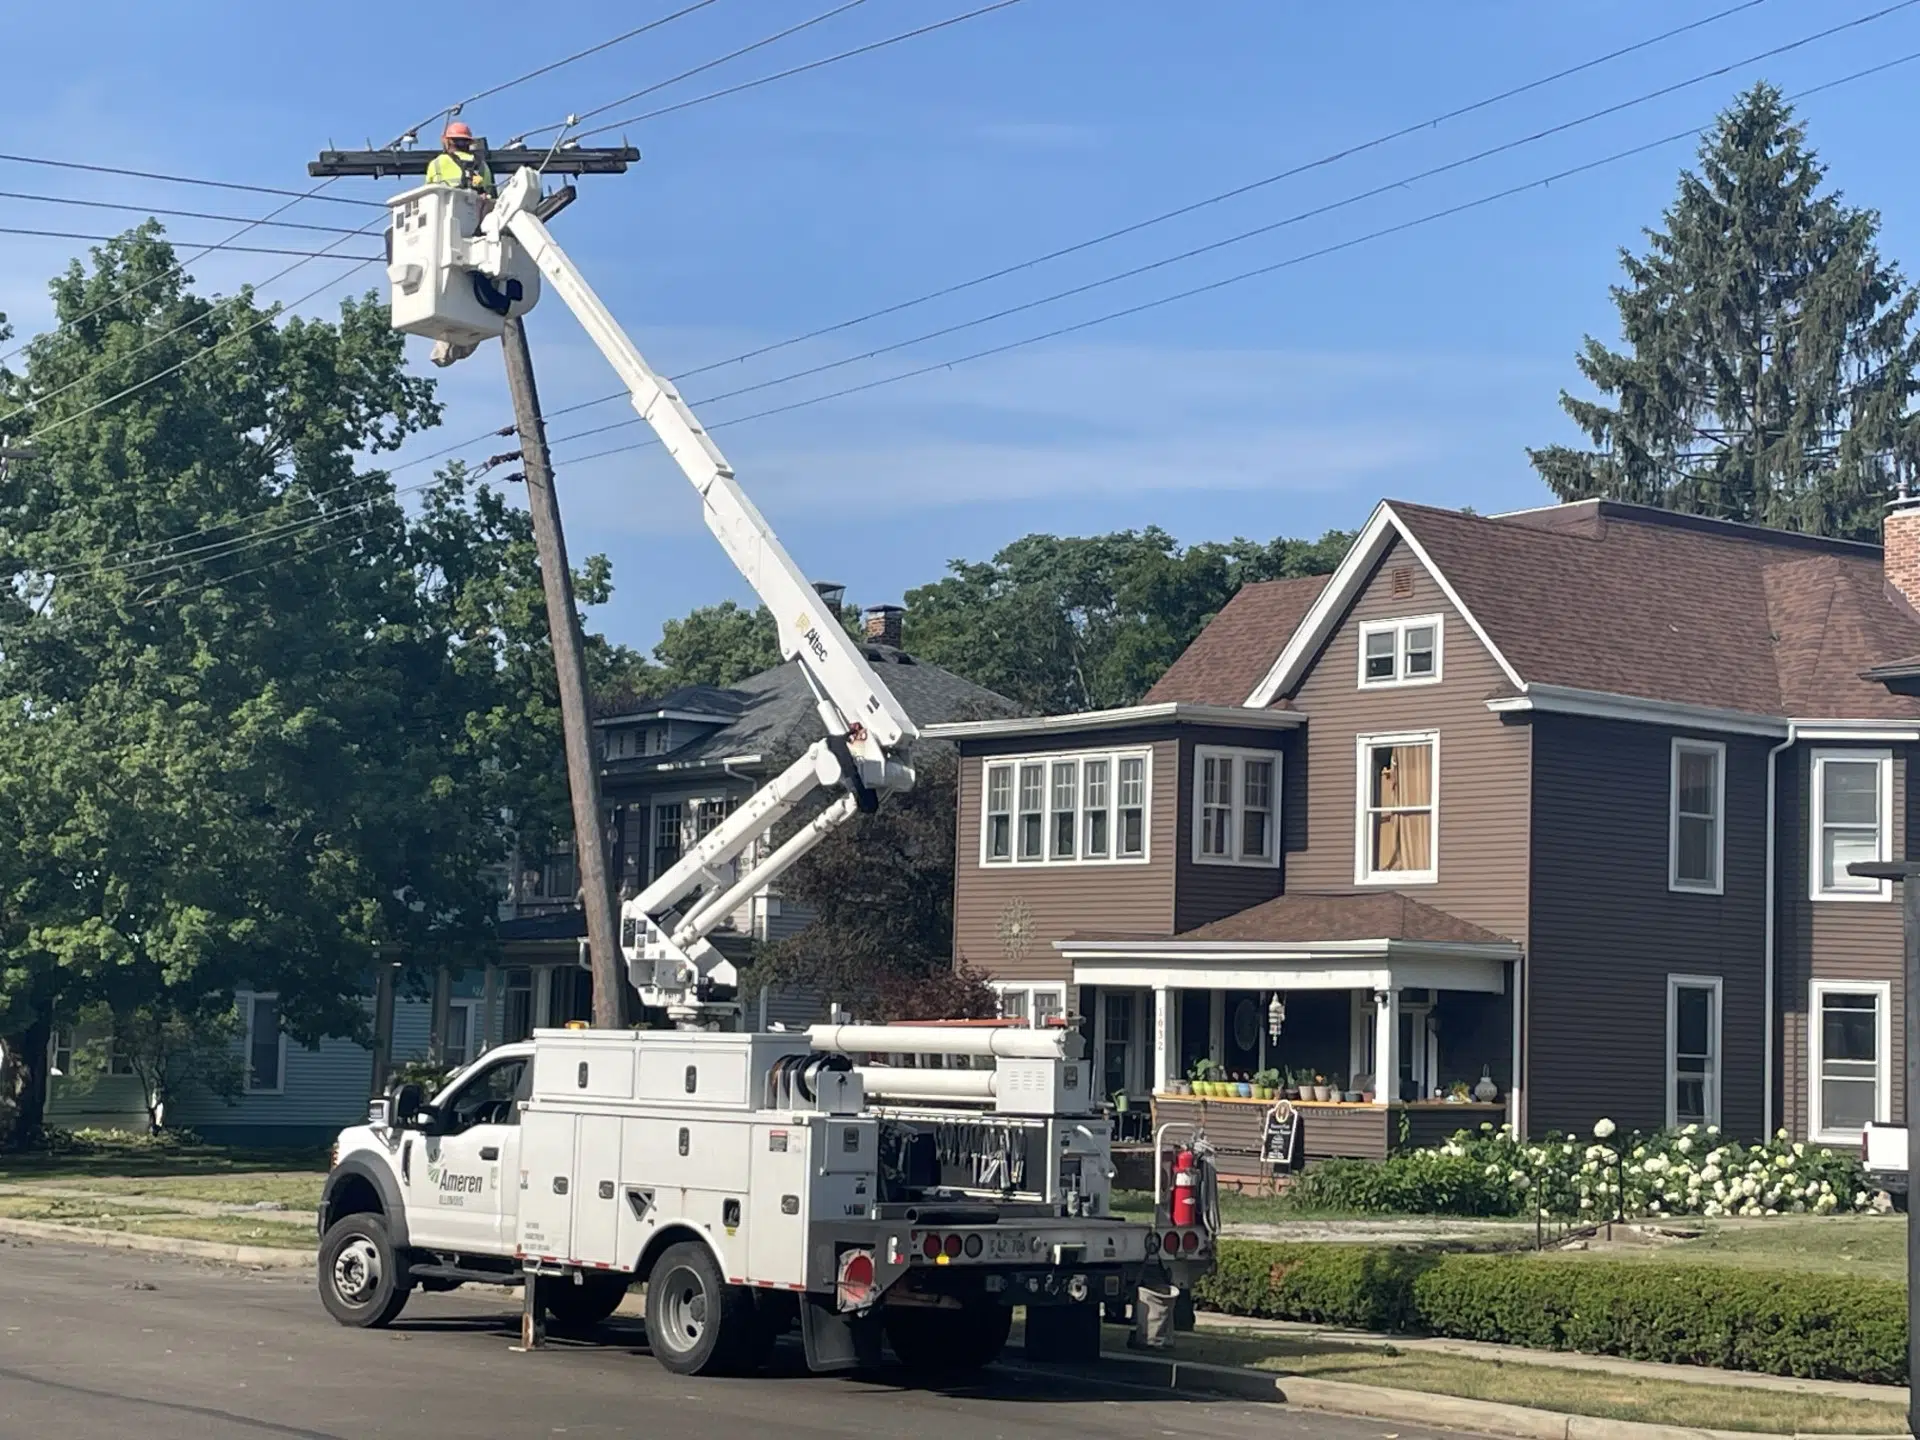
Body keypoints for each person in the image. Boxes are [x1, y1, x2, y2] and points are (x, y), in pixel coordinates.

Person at [425, 120, 495, 196]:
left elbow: (428, 192)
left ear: (448, 141)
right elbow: (488, 189)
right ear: (469, 142)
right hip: (473, 205)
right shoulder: (481, 164)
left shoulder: (436, 163)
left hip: (443, 205)